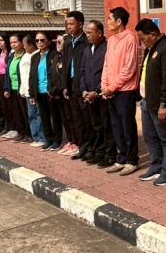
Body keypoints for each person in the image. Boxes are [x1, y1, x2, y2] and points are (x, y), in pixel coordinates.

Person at [135, 18, 166, 186]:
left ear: (152, 34)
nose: (142, 42)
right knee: (150, 136)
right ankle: (156, 167)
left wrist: (164, 104)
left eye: (143, 38)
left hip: (159, 104)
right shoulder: (151, 48)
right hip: (147, 101)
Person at [102, 7, 141, 175]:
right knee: (116, 126)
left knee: (127, 126)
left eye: (110, 19)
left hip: (125, 90)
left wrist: (112, 87)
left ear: (119, 21)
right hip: (110, 90)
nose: (107, 22)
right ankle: (121, 158)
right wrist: (104, 85)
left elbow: (129, 68)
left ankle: (132, 160)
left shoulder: (130, 38)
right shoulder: (111, 40)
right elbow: (106, 64)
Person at [79, 20, 114, 166]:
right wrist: (84, 90)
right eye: (86, 32)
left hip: (102, 94)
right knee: (95, 125)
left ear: (99, 33)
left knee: (107, 125)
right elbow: (82, 71)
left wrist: (96, 91)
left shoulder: (107, 48)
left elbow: (108, 72)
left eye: (90, 32)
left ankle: (110, 154)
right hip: (89, 95)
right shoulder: (87, 49)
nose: (87, 35)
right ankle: (98, 152)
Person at [59, 11, 88, 157]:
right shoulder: (68, 42)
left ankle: (87, 147)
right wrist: (64, 85)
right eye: (67, 24)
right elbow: (65, 65)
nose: (68, 27)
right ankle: (79, 145)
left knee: (85, 119)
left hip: (82, 86)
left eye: (71, 24)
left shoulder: (86, 41)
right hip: (70, 86)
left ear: (80, 24)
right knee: (74, 118)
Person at [31, 32, 63, 151]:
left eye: (42, 40)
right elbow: (32, 76)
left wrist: (52, 89)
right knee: (44, 118)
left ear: (49, 41)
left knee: (55, 117)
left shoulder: (54, 55)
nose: (39, 42)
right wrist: (32, 93)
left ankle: (57, 141)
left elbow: (55, 74)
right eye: (37, 40)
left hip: (50, 91)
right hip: (39, 91)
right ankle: (48, 140)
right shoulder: (35, 56)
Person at [19, 33, 44, 147]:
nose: (23, 46)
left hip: (34, 91)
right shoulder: (25, 55)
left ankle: (42, 137)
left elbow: (33, 75)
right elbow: (23, 74)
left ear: (31, 45)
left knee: (39, 114)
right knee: (31, 114)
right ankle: (36, 137)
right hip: (26, 90)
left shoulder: (37, 55)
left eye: (25, 44)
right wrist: (23, 88)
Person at [2, 33, 28, 141]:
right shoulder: (11, 56)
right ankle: (21, 132)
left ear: (22, 43)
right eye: (11, 42)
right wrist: (6, 88)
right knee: (17, 113)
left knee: (25, 112)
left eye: (15, 42)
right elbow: (7, 73)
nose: (13, 44)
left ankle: (28, 133)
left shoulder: (26, 55)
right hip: (12, 88)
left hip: (22, 88)